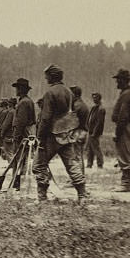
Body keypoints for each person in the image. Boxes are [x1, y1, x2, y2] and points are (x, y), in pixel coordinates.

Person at [33, 65, 87, 200]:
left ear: (52, 76)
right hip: (67, 134)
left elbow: (45, 118)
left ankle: (42, 197)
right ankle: (82, 194)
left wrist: (40, 137)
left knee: (39, 165)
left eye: (47, 76)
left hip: (52, 135)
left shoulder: (50, 93)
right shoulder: (69, 92)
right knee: (71, 163)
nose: (46, 78)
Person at [111, 68, 130, 192]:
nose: (116, 82)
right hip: (127, 125)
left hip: (126, 126)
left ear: (123, 80)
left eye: (118, 80)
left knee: (125, 153)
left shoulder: (127, 94)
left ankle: (126, 184)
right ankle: (126, 183)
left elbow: (123, 116)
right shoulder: (126, 93)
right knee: (127, 152)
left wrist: (117, 132)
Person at [11, 78, 36, 156]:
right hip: (26, 134)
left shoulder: (23, 102)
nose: (16, 90)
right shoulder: (28, 101)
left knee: (19, 157)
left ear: (21, 89)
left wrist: (16, 137)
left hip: (22, 135)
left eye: (17, 88)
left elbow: (21, 122)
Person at [70, 85, 90, 169]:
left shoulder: (76, 105)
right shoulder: (83, 105)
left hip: (77, 132)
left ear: (75, 94)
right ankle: (80, 176)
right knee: (79, 155)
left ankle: (78, 178)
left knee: (76, 156)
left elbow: (72, 121)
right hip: (83, 132)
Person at [86, 92, 106, 169]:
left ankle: (100, 164)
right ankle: (89, 164)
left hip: (95, 132)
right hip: (91, 131)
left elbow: (99, 122)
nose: (94, 99)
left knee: (96, 148)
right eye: (93, 97)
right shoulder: (94, 108)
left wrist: (95, 132)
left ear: (99, 98)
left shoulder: (101, 109)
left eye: (95, 98)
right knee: (90, 148)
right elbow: (90, 119)